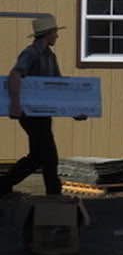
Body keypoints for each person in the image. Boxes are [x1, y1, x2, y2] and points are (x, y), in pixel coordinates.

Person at [0, 14, 86, 198]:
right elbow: (15, 75)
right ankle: (54, 196)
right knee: (49, 156)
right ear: (48, 34)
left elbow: (57, 86)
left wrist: (74, 111)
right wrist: (15, 104)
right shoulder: (30, 54)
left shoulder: (50, 56)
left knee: (37, 157)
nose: (57, 36)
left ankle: (3, 185)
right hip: (28, 113)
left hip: (43, 114)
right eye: (55, 32)